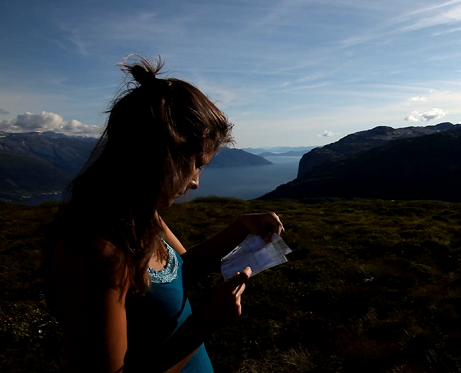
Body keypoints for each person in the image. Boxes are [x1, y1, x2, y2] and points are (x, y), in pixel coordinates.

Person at [44, 55, 284, 372]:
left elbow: (183, 269)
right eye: (196, 164)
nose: (196, 182)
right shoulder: (94, 253)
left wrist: (240, 228)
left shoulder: (139, 216)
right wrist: (206, 322)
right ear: (162, 154)